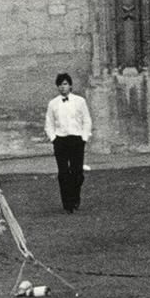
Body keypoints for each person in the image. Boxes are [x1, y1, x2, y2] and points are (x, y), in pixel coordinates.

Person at [44, 72, 93, 213]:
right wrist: (54, 139)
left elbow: (87, 120)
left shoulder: (80, 101)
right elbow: (49, 123)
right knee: (63, 173)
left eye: (65, 84)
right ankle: (68, 204)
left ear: (70, 85)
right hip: (61, 140)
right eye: (60, 85)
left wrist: (84, 138)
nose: (62, 87)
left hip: (76, 139)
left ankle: (75, 198)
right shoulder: (53, 103)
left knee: (77, 173)